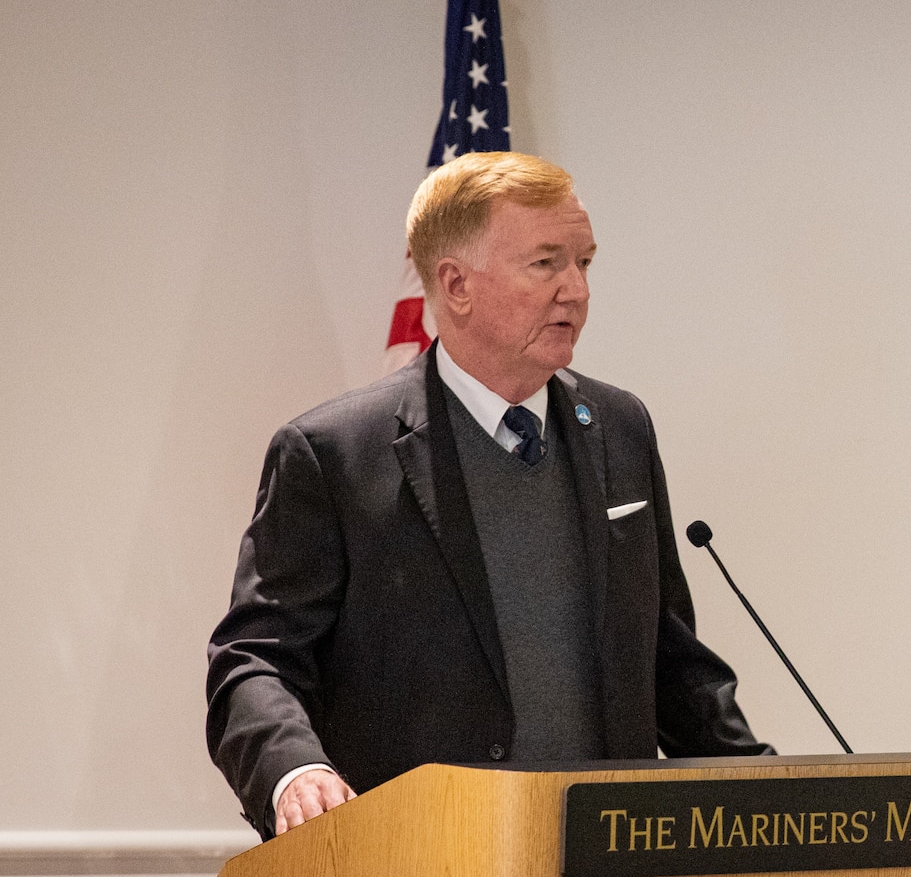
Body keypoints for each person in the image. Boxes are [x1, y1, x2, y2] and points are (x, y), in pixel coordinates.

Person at [206, 151, 771, 841]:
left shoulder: (620, 429)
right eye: (546, 264)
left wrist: (772, 804)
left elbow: (672, 661)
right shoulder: (334, 454)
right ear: (456, 284)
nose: (576, 290)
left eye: (584, 263)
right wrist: (294, 771)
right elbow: (254, 659)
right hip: (418, 871)